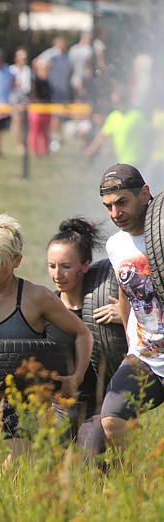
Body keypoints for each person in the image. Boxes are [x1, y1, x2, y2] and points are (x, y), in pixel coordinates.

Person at [0, 214, 92, 456]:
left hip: (25, 403)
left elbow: (82, 333)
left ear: (16, 261)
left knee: (12, 472)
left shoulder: (36, 297)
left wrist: (76, 377)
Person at [98, 164, 164, 452]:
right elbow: (127, 293)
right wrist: (131, 344)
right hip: (147, 359)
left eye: (122, 202)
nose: (115, 213)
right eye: (108, 206)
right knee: (111, 420)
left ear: (145, 193)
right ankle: (133, 489)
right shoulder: (116, 246)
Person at [46, 217, 120, 457]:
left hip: (98, 409)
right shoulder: (44, 310)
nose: (58, 274)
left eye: (66, 266)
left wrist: (126, 315)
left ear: (86, 265)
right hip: (59, 408)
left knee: (89, 466)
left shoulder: (107, 308)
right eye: (52, 266)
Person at [84, 87, 150, 166]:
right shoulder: (113, 117)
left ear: (125, 100)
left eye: (119, 102)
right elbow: (102, 135)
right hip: (122, 162)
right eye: (115, 103)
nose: (117, 105)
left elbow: (148, 134)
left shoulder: (136, 116)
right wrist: (91, 149)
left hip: (138, 160)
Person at [35, 36, 71, 150]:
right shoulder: (52, 54)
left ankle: (57, 137)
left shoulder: (66, 56)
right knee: (55, 114)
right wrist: (43, 73)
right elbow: (36, 62)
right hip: (53, 89)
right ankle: (54, 137)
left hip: (62, 89)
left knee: (60, 114)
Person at [27, 59, 53, 157]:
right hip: (36, 110)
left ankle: (45, 150)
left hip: (47, 109)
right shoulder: (35, 81)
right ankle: (34, 151)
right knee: (35, 130)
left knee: (45, 130)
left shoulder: (48, 82)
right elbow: (32, 94)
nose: (46, 72)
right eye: (44, 69)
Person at [9, 48, 32, 155]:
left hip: (26, 97)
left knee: (25, 122)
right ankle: (19, 144)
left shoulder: (28, 70)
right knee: (17, 120)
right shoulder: (11, 70)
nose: (23, 59)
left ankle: (25, 143)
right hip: (15, 97)